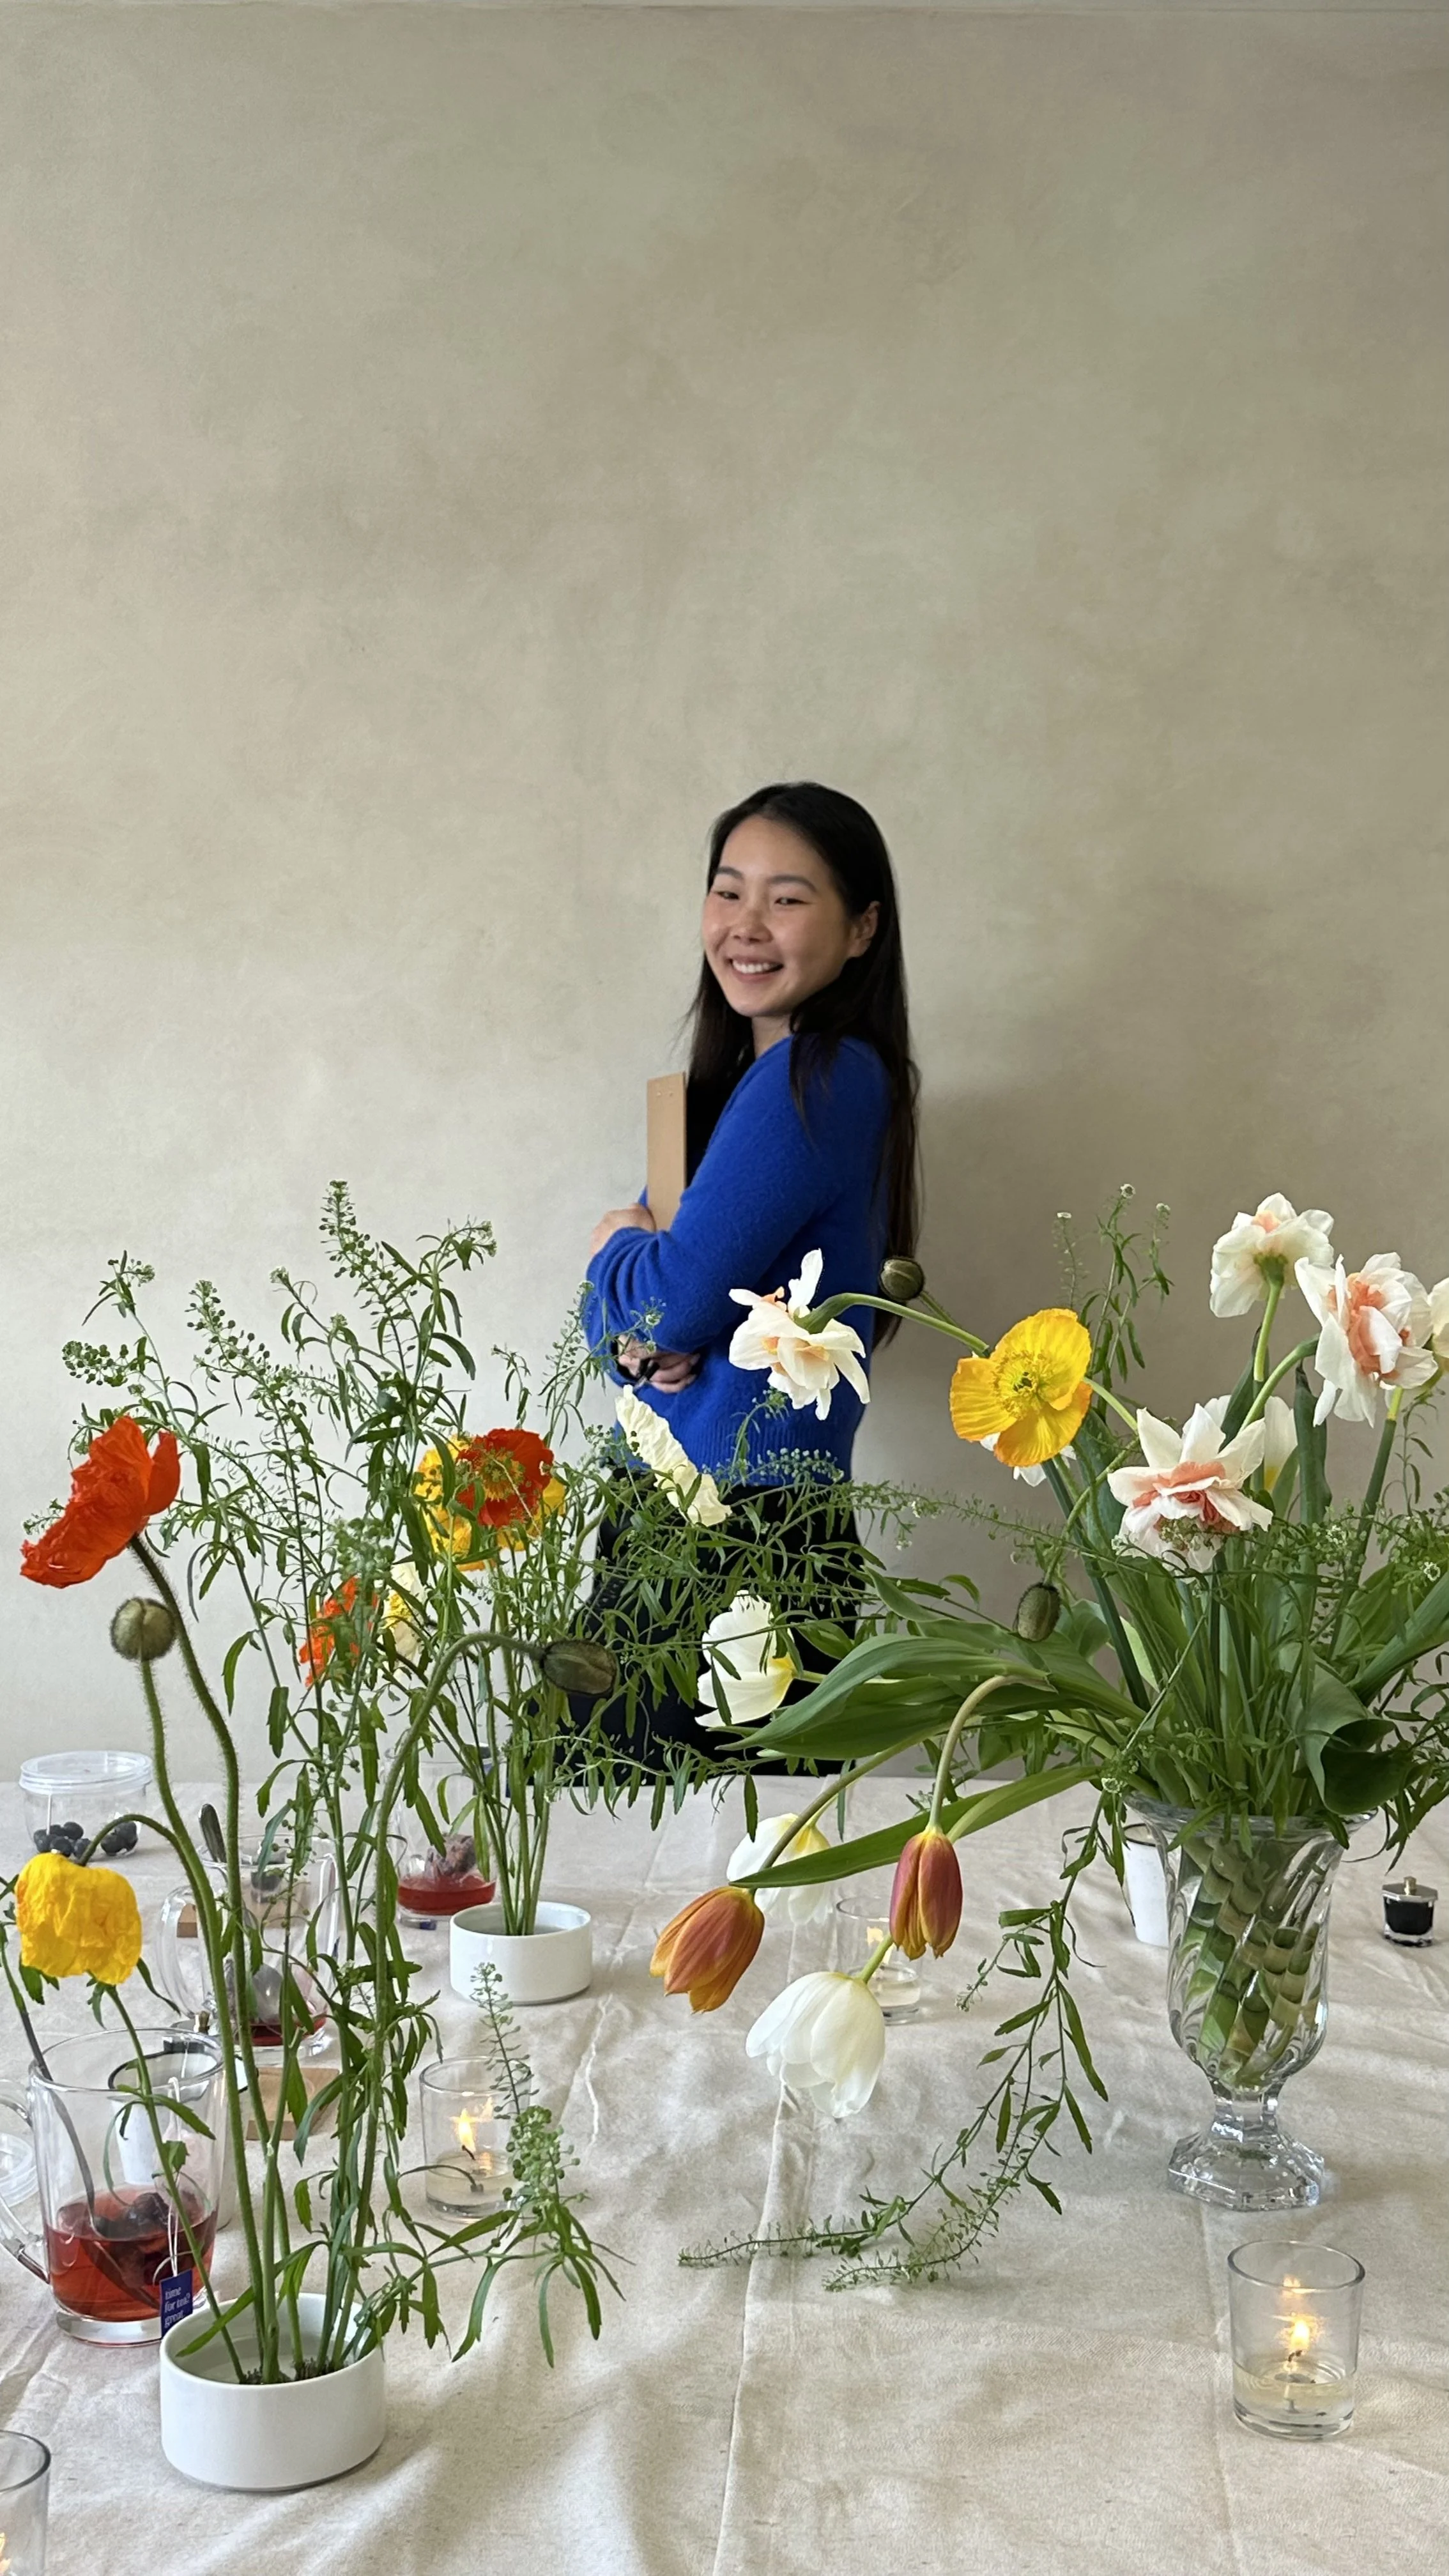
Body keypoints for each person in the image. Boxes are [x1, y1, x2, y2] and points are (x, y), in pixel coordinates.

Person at [581, 779, 921, 1763]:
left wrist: (611, 1247)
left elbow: (676, 1294)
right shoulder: (750, 1089)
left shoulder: (817, 1076)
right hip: (715, 1516)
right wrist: (644, 1340)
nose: (747, 925)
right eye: (728, 892)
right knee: (713, 1870)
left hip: (732, 1535)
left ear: (861, 930)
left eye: (788, 897)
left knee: (676, 1860)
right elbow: (647, 1331)